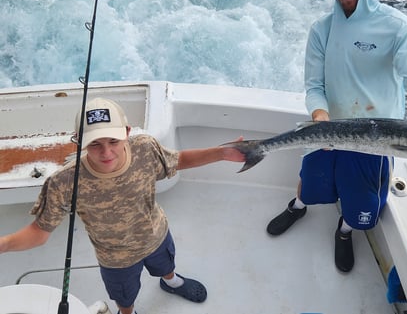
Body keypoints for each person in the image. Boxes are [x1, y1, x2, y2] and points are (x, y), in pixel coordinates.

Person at [0, 97, 246, 314]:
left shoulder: (146, 147)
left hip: (156, 235)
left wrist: (221, 153)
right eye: (95, 144)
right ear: (78, 142)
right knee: (124, 297)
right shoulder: (63, 181)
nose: (106, 152)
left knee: (166, 266)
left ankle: (170, 282)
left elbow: (177, 160)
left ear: (127, 132)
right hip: (115, 258)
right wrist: (4, 245)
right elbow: (39, 232)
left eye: (113, 141)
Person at [266, 0, 407, 273]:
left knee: (360, 202)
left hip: (375, 139)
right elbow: (314, 87)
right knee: (310, 181)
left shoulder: (398, 28)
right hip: (329, 128)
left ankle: (344, 230)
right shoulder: (321, 29)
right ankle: (299, 206)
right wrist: (320, 115)